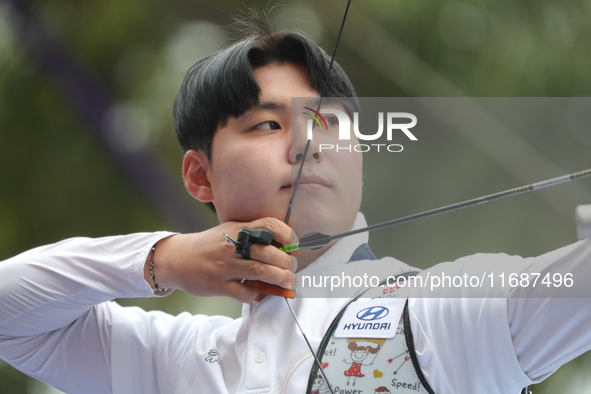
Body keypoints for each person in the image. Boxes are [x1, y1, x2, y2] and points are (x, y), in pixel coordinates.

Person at [1, 12, 591, 394]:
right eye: (265, 124)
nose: (309, 140)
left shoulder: (436, 309)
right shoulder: (177, 361)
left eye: (327, 122)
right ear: (199, 176)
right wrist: (167, 259)